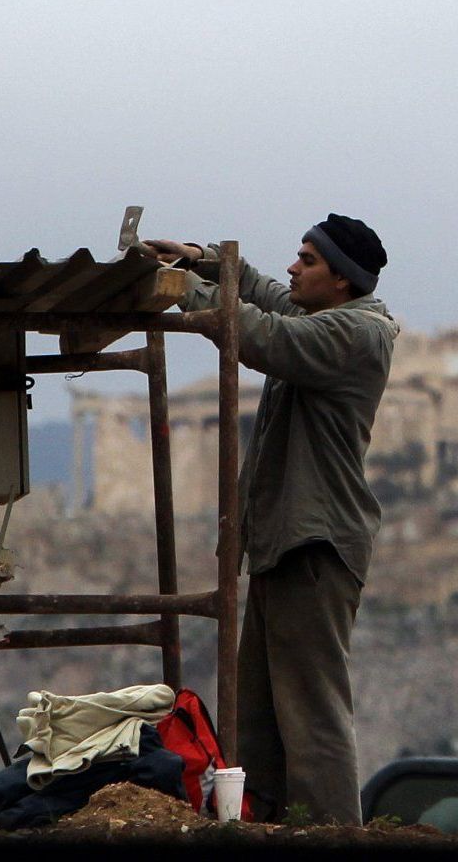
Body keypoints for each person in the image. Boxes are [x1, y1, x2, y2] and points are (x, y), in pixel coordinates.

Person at [146, 214, 396, 825]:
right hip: (286, 542)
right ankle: (269, 823)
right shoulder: (328, 317)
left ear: (341, 280)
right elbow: (269, 297)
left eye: (308, 260)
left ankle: (332, 834)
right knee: (259, 718)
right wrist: (203, 261)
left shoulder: (355, 334)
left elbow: (261, 335)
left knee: (312, 716)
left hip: (315, 545)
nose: (294, 267)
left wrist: (179, 288)